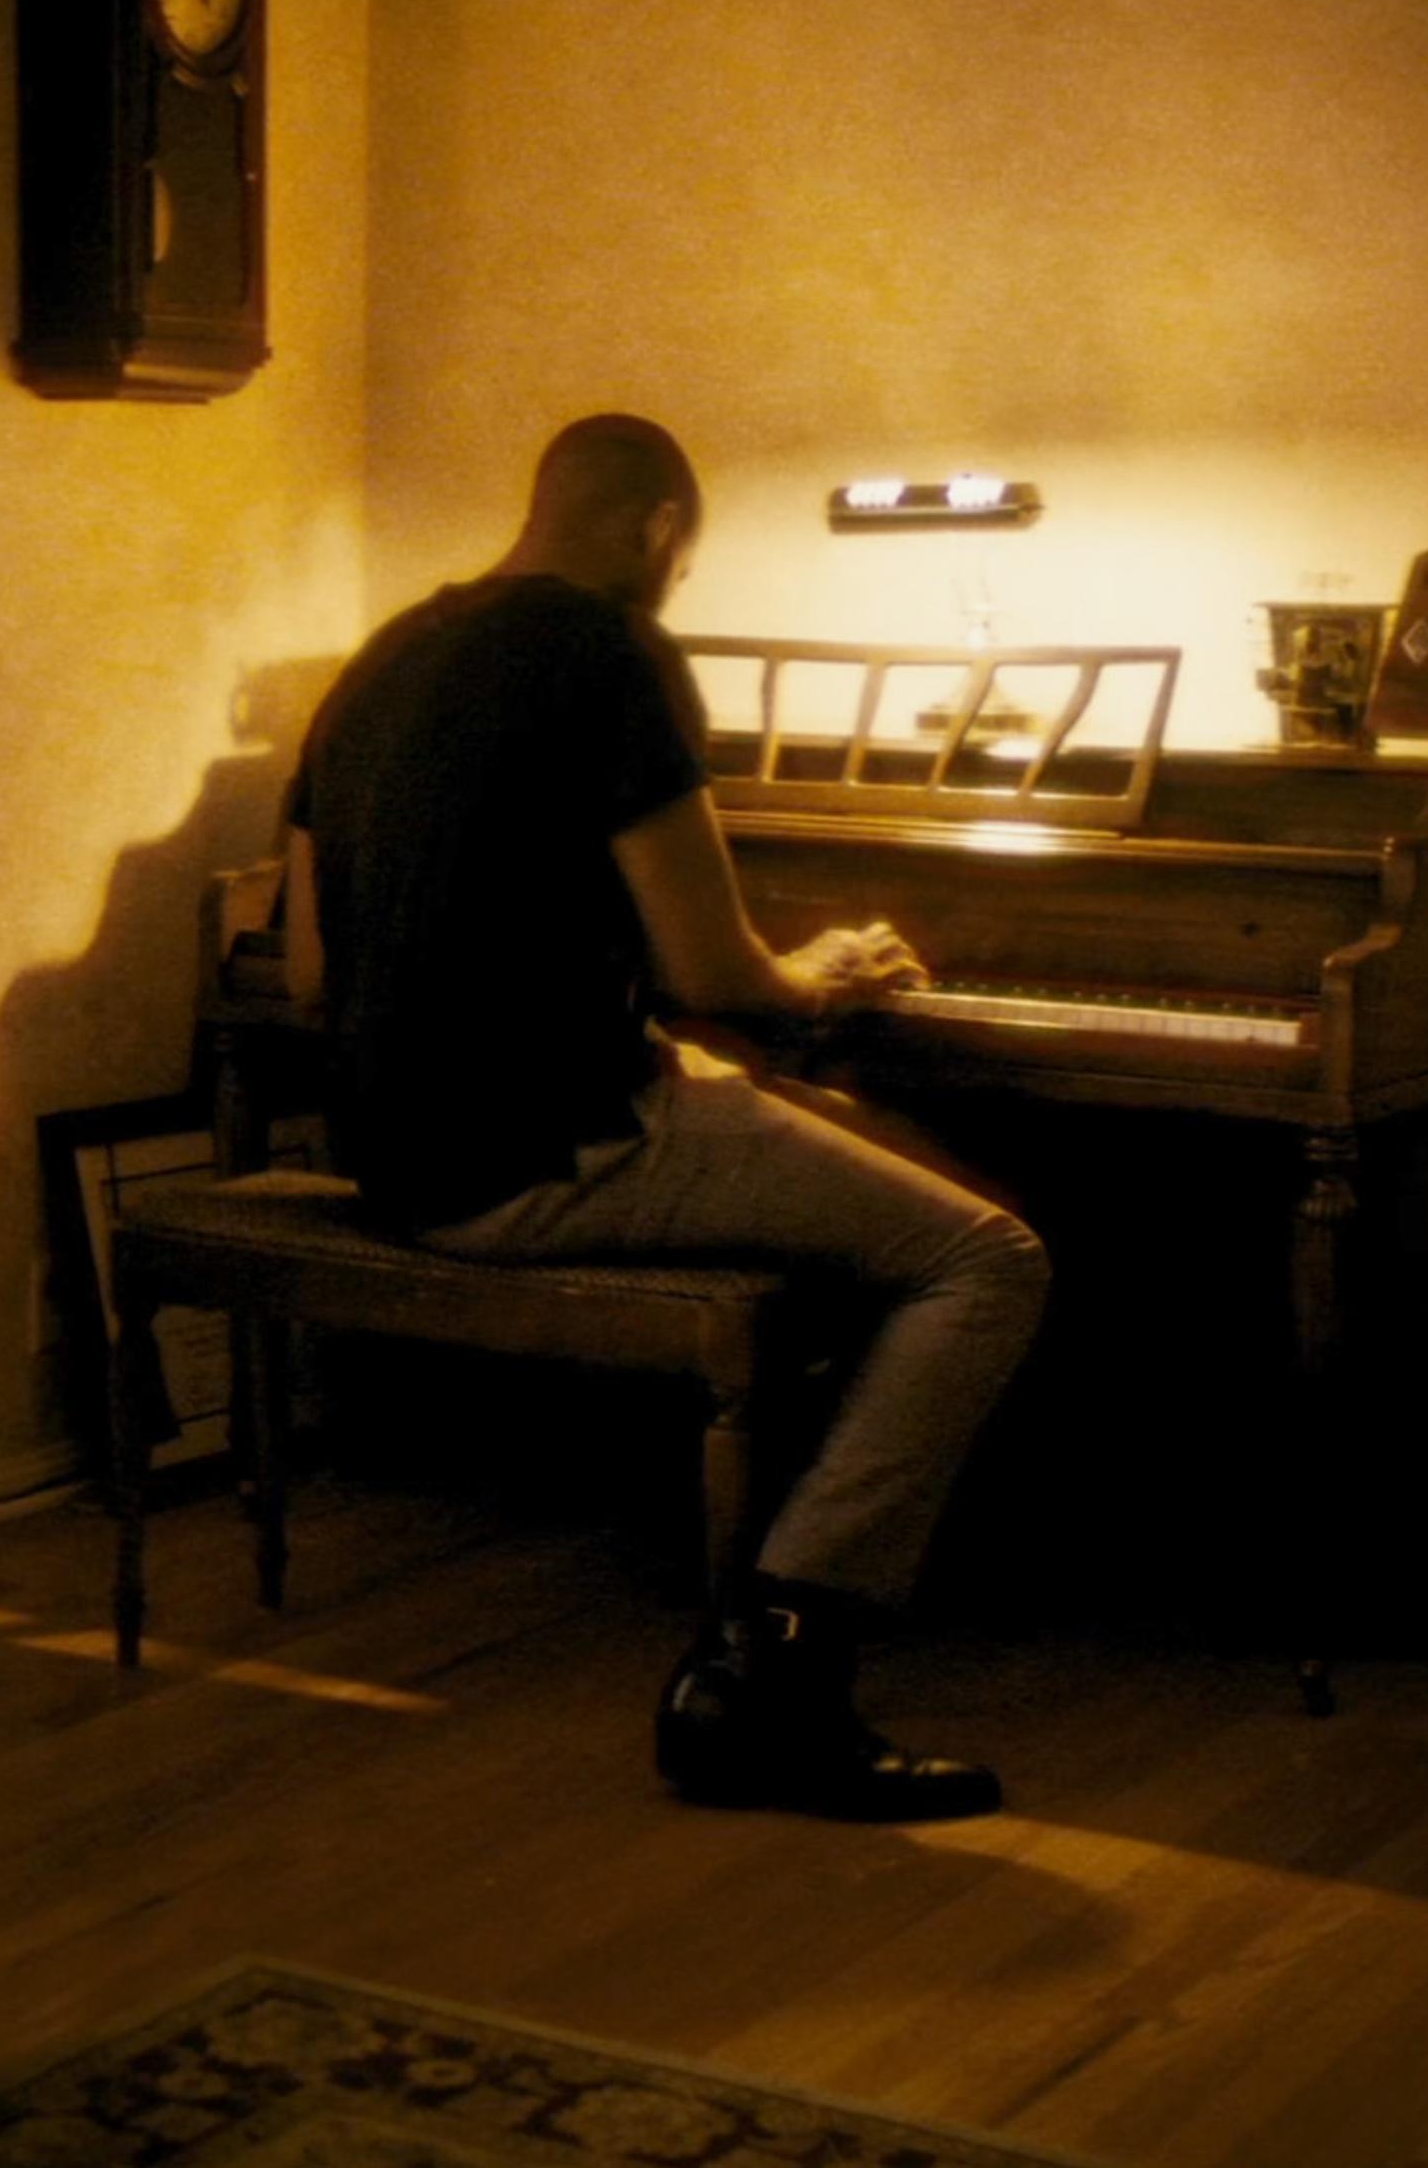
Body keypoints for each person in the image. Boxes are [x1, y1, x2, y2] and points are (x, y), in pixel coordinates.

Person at [280, 415, 1051, 1823]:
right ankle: (773, 1674)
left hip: (393, 1151)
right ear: (654, 528)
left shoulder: (383, 657)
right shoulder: (611, 654)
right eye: (683, 560)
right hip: (543, 1156)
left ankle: (805, 1556)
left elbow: (309, 967)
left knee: (843, 1164)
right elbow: (718, 974)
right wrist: (817, 971)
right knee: (986, 1256)